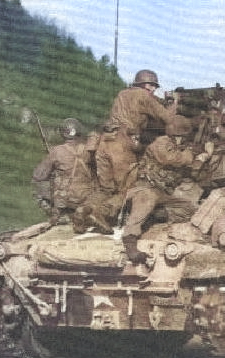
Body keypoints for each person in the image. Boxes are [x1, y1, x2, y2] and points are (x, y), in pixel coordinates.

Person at [121, 115, 209, 263]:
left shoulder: (181, 148)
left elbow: (194, 172)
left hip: (163, 193)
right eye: (180, 137)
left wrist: (203, 158)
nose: (182, 140)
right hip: (144, 188)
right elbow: (169, 158)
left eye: (183, 138)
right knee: (146, 201)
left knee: (189, 208)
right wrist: (193, 155)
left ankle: (156, 215)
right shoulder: (161, 142)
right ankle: (130, 241)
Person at [95, 70, 177, 206]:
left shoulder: (122, 94)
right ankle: (111, 218)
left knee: (106, 190)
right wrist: (175, 102)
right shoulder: (144, 96)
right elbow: (169, 119)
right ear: (147, 85)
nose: (155, 89)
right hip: (122, 144)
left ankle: (86, 212)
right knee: (128, 188)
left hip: (105, 141)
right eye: (154, 86)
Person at [32, 118, 115, 232]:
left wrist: (52, 164)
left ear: (63, 133)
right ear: (79, 132)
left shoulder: (56, 151)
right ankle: (86, 214)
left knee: (38, 189)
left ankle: (59, 215)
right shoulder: (88, 149)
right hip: (87, 197)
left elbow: (38, 176)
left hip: (66, 200)